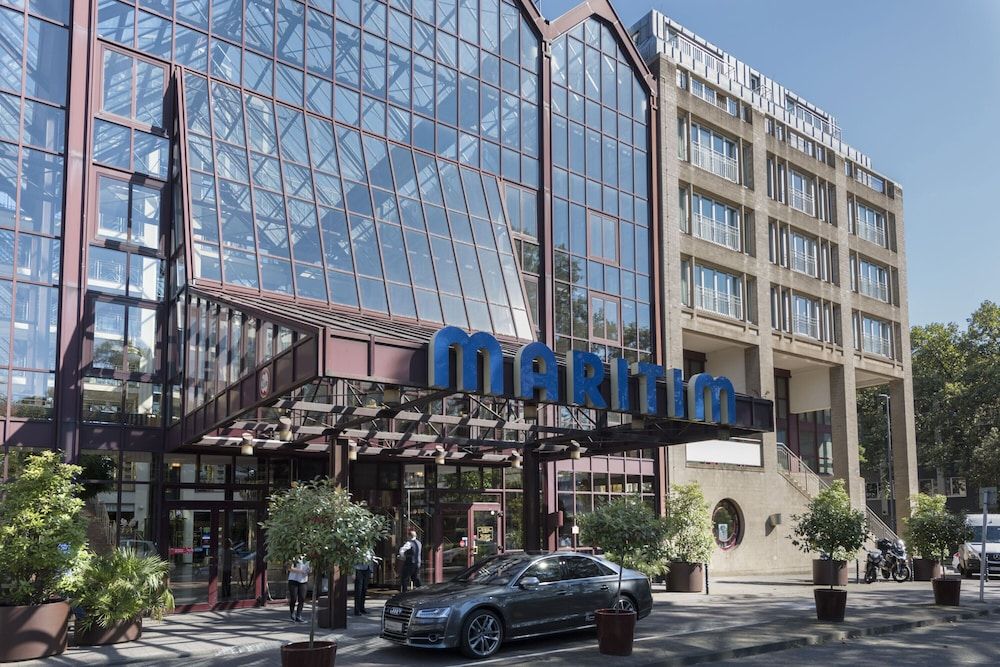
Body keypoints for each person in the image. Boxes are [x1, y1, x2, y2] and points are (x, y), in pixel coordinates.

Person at [353, 550, 374, 615]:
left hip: (367, 570)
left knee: (364, 590)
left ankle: (362, 608)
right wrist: (353, 572)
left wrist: (371, 571)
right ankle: (357, 610)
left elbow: (371, 560)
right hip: (359, 569)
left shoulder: (370, 550)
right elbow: (354, 560)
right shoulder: (358, 549)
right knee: (358, 590)